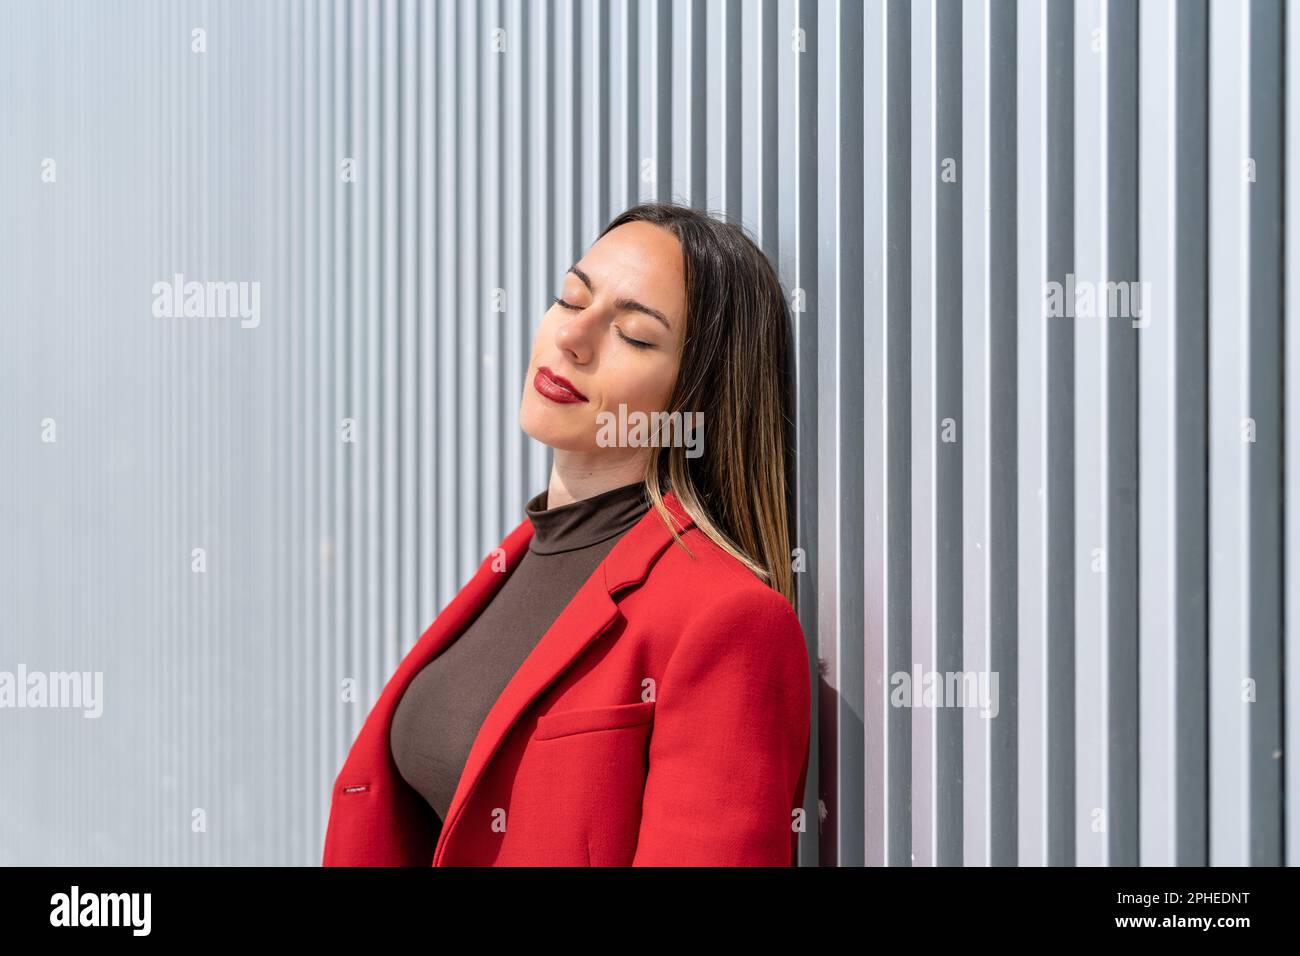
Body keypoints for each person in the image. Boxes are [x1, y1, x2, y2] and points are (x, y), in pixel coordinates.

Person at [323, 201, 811, 866]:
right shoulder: (517, 563)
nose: (572, 338)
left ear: (694, 400)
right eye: (569, 298)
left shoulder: (728, 620)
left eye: (635, 336)